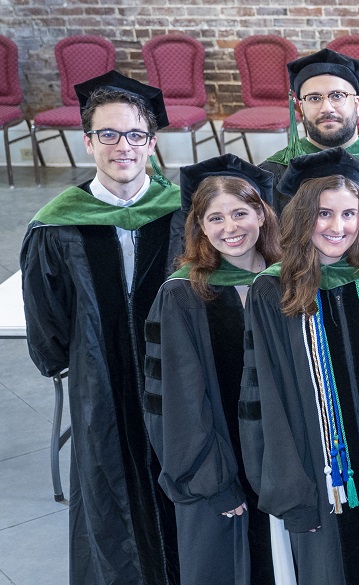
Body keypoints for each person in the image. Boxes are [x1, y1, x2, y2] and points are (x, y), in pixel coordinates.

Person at [21, 70, 181, 585]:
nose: (122, 146)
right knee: (107, 495)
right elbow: (46, 323)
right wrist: (81, 363)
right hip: (100, 387)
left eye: (134, 134)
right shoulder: (57, 225)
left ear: (151, 143)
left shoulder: (184, 215)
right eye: (108, 134)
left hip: (179, 384)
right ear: (88, 142)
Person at [239, 148, 359, 584]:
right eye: (324, 213)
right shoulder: (273, 292)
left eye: (348, 214)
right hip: (322, 484)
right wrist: (292, 492)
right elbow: (267, 395)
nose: (337, 227)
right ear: (303, 216)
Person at [142, 154, 283, 585]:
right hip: (220, 474)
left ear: (262, 214)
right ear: (200, 227)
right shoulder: (182, 295)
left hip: (289, 471)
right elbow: (176, 403)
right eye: (215, 218)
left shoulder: (290, 281)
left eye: (240, 213)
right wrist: (212, 482)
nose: (230, 228)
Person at [258, 48, 359, 233]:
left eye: (337, 96)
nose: (327, 108)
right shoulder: (274, 172)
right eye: (314, 98)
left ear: (357, 104)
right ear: (301, 107)